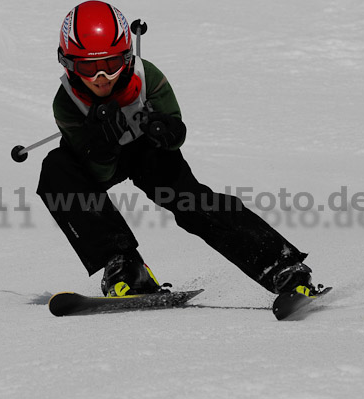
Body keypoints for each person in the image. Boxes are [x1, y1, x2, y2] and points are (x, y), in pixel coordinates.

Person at [37, 0, 317, 298]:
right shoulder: (66, 103)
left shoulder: (148, 77)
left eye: (111, 64)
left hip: (148, 153)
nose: (100, 78)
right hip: (97, 161)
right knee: (56, 172)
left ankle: (282, 266)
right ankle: (124, 267)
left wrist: (164, 131)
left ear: (127, 57)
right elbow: (98, 173)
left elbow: (176, 134)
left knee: (192, 202)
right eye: (89, 67)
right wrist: (103, 146)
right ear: (68, 64)